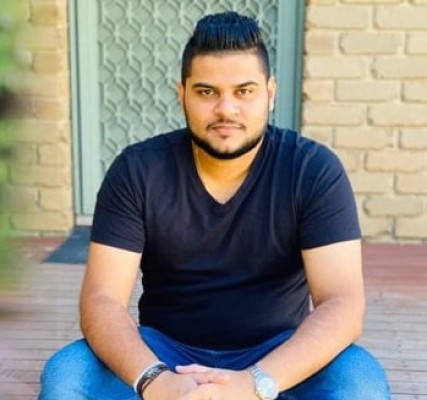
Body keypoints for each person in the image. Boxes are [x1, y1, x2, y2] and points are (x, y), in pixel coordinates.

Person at [39, 11, 390, 400]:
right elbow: (102, 300)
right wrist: (156, 382)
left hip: (279, 357)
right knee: (67, 376)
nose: (226, 109)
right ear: (182, 95)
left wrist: (256, 383)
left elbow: (342, 303)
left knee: (361, 384)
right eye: (207, 92)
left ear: (270, 93)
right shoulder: (138, 170)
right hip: (165, 354)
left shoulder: (312, 170)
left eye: (244, 91)